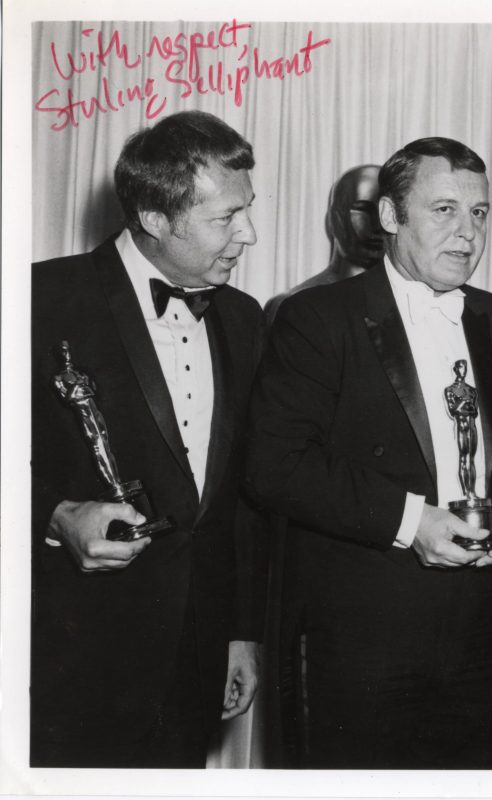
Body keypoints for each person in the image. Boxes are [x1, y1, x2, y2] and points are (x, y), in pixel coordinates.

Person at [246, 137, 492, 768]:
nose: (467, 232)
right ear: (390, 216)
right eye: (444, 210)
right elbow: (276, 465)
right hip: (356, 639)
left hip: (476, 634)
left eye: (479, 212)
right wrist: (411, 521)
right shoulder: (317, 316)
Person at [31, 110, 268, 767]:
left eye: (247, 210)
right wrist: (55, 514)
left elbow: (243, 497)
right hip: (68, 655)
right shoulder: (38, 297)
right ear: (154, 218)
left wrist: (241, 634)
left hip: (198, 656)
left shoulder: (244, 319)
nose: (248, 234)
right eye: (226, 217)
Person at [264, 164, 384, 325]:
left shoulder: (409, 303)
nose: (378, 226)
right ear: (334, 219)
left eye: (387, 213)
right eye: (363, 210)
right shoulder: (292, 304)